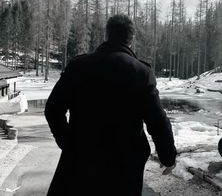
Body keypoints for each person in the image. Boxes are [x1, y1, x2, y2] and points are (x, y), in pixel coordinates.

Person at [44, 14, 177, 196]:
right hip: (124, 169)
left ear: (106, 35)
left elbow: (53, 109)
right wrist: (168, 156)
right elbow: (157, 121)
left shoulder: (79, 66)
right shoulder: (141, 72)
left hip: (80, 165)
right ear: (131, 39)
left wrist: (69, 143)